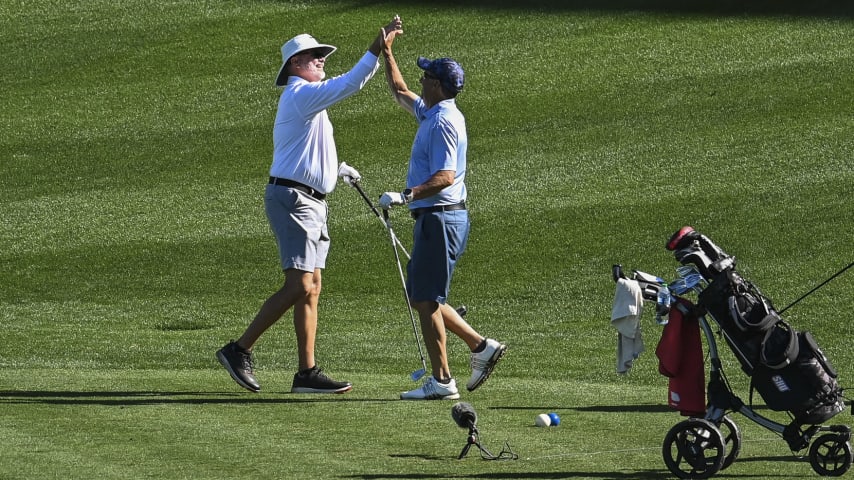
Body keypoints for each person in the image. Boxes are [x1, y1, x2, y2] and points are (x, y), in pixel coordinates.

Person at [217, 17, 403, 394]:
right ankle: (238, 350)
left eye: (321, 55)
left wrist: (336, 171)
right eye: (313, 56)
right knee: (299, 283)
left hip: (312, 200)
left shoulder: (308, 102)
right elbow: (350, 83)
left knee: (312, 286)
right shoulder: (300, 95)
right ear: (294, 66)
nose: (321, 59)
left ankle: (307, 373)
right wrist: (376, 48)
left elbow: (307, 151)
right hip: (293, 199)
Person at [378, 19, 507, 400]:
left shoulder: (445, 121)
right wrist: (387, 52)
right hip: (434, 217)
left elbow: (446, 175)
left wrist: (406, 194)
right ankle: (481, 347)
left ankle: (443, 381)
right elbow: (399, 90)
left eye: (426, 77)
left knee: (427, 299)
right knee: (423, 296)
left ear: (437, 85)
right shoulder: (432, 113)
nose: (420, 82)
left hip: (440, 216)